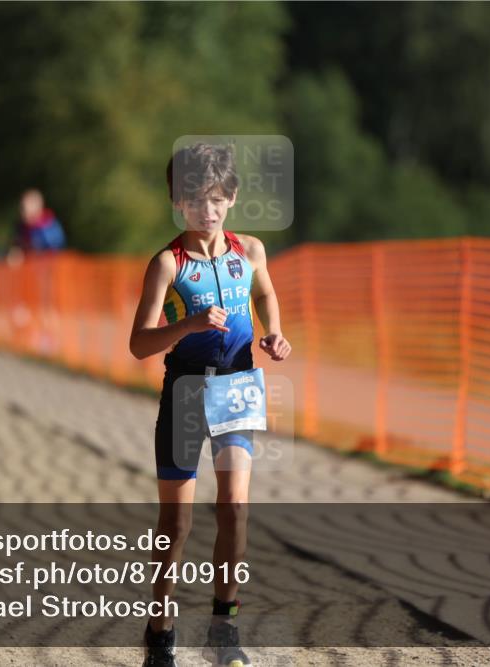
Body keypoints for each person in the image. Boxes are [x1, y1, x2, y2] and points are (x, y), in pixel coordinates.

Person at [129, 143, 291, 667]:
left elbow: (264, 295)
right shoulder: (166, 264)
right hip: (186, 393)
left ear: (232, 199)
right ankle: (160, 625)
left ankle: (225, 627)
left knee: (234, 508)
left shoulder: (251, 251)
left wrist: (275, 334)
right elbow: (139, 343)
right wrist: (189, 326)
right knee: (176, 522)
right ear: (179, 203)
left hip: (239, 385)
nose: (208, 210)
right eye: (196, 200)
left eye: (218, 199)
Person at [16, 188, 66, 253]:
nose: (22, 213)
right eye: (21, 208)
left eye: (24, 209)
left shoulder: (49, 226)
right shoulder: (22, 227)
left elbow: (57, 248)